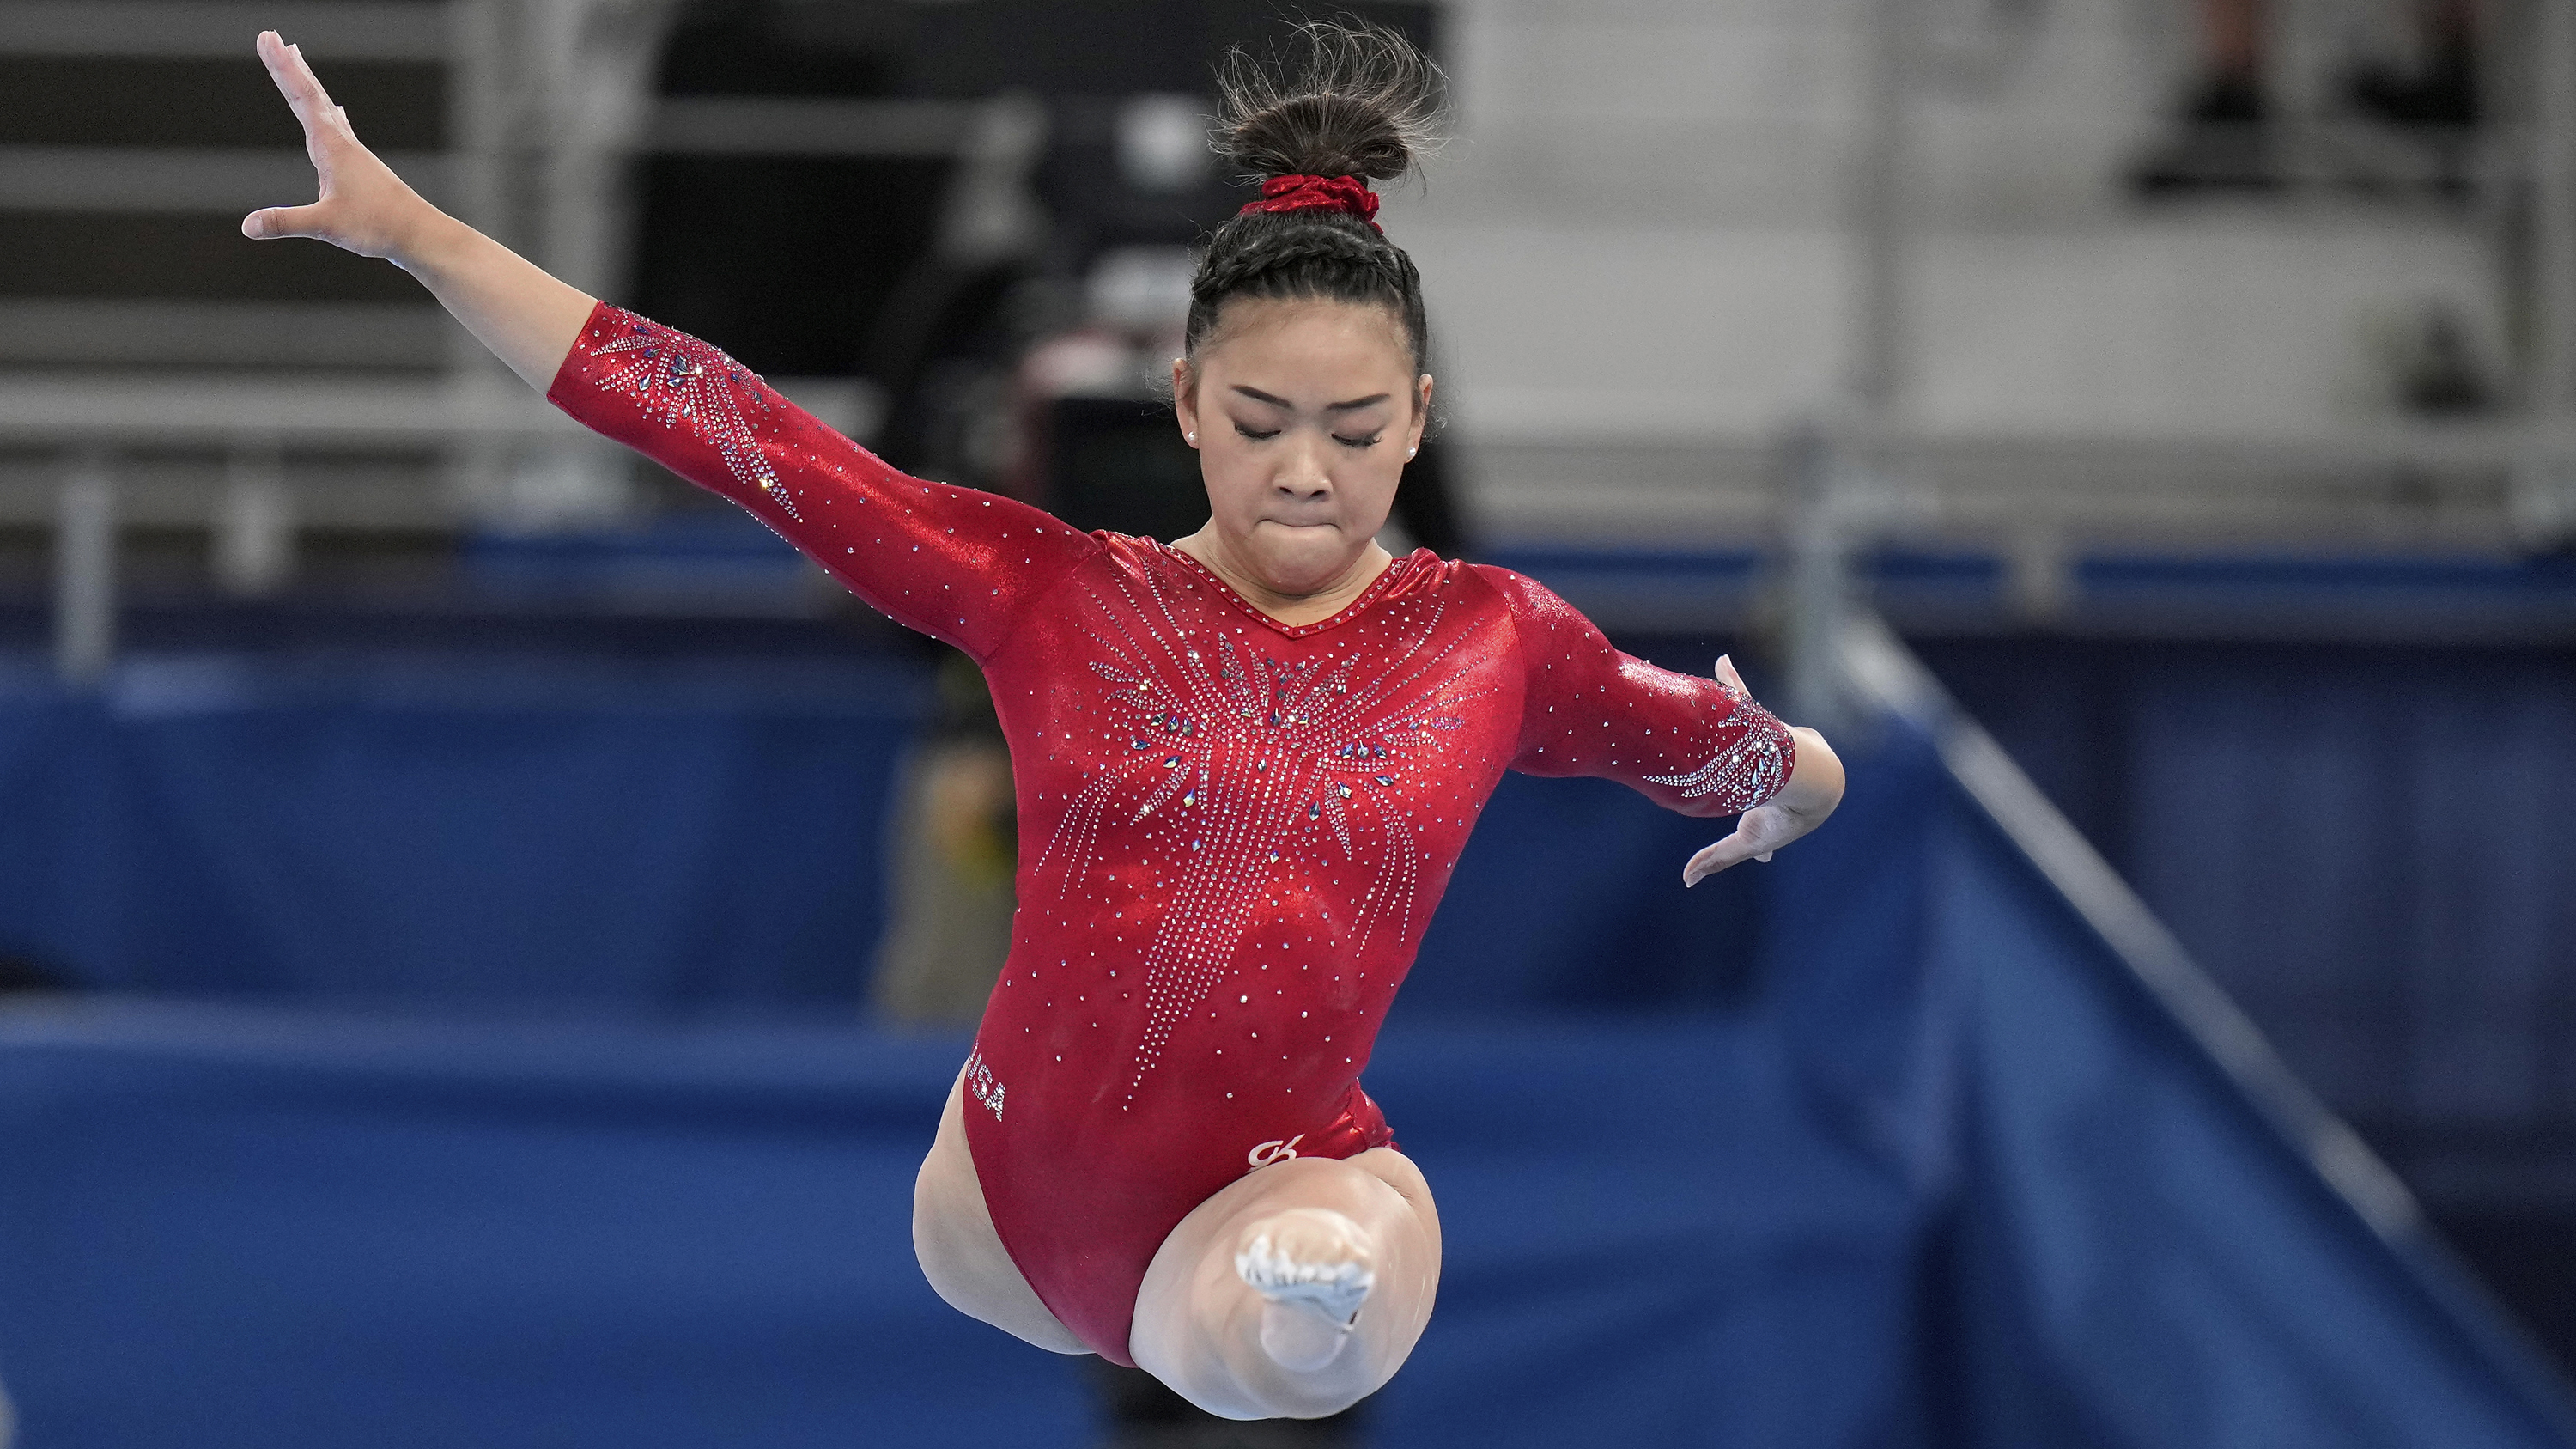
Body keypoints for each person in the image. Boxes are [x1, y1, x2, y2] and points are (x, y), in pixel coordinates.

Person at [241, 21, 1846, 1420]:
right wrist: (421, 237)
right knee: (1242, 1320)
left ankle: (1316, 1282)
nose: (1306, 469)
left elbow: (1714, 744)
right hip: (994, 1210)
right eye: (1260, 421)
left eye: (1357, 430)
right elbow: (729, 427)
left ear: (1419, 418)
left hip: (1267, 1204)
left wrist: (1788, 780)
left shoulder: (1492, 641)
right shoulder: (1048, 589)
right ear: (1184, 406)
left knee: (1299, 1328)